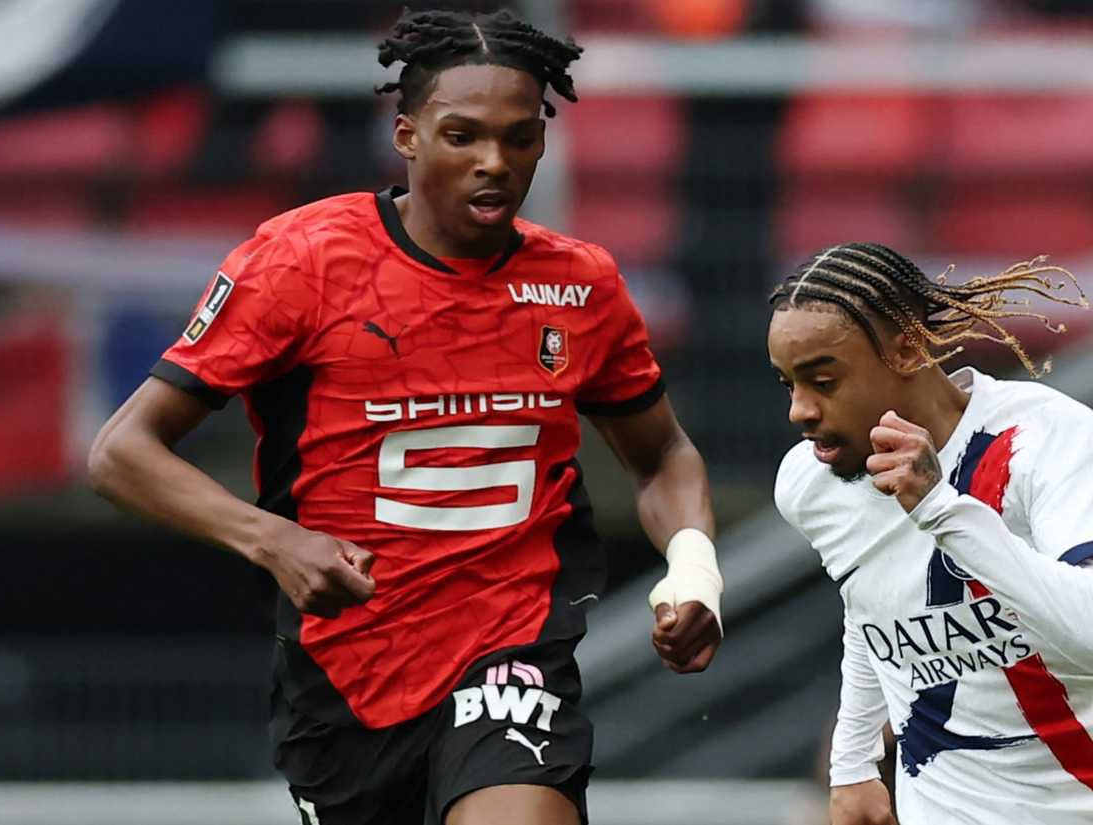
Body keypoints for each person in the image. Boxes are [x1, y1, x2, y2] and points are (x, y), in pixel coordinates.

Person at [87, 9, 724, 825]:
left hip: (512, 652)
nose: (495, 162)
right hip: (348, 678)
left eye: (520, 138)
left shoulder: (580, 286)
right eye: (463, 135)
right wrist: (273, 539)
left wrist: (695, 569)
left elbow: (662, 453)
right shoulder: (303, 261)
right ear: (408, 134)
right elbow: (121, 454)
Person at [767, 242, 1093, 825]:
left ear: (907, 347)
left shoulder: (1043, 436)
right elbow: (871, 603)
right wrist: (853, 766)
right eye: (788, 384)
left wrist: (944, 508)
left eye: (823, 380)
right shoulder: (811, 482)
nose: (800, 410)